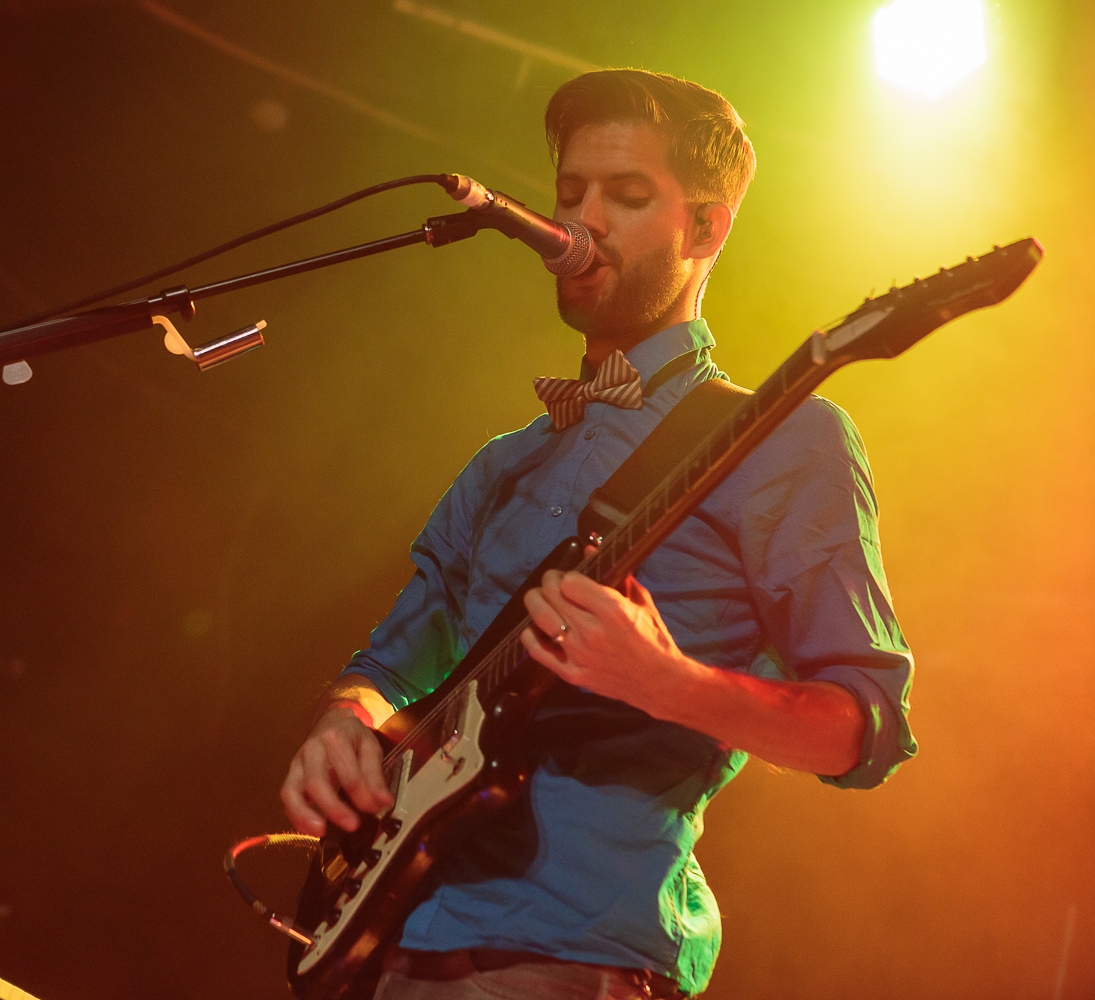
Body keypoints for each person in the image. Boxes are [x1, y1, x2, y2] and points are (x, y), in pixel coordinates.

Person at [278, 69, 916, 999]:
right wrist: (345, 719)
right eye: (570, 192)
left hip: (572, 952)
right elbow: (388, 666)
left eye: (627, 195)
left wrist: (669, 683)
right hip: (387, 944)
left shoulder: (787, 439)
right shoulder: (502, 464)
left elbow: (865, 727)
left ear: (705, 229)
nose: (582, 220)